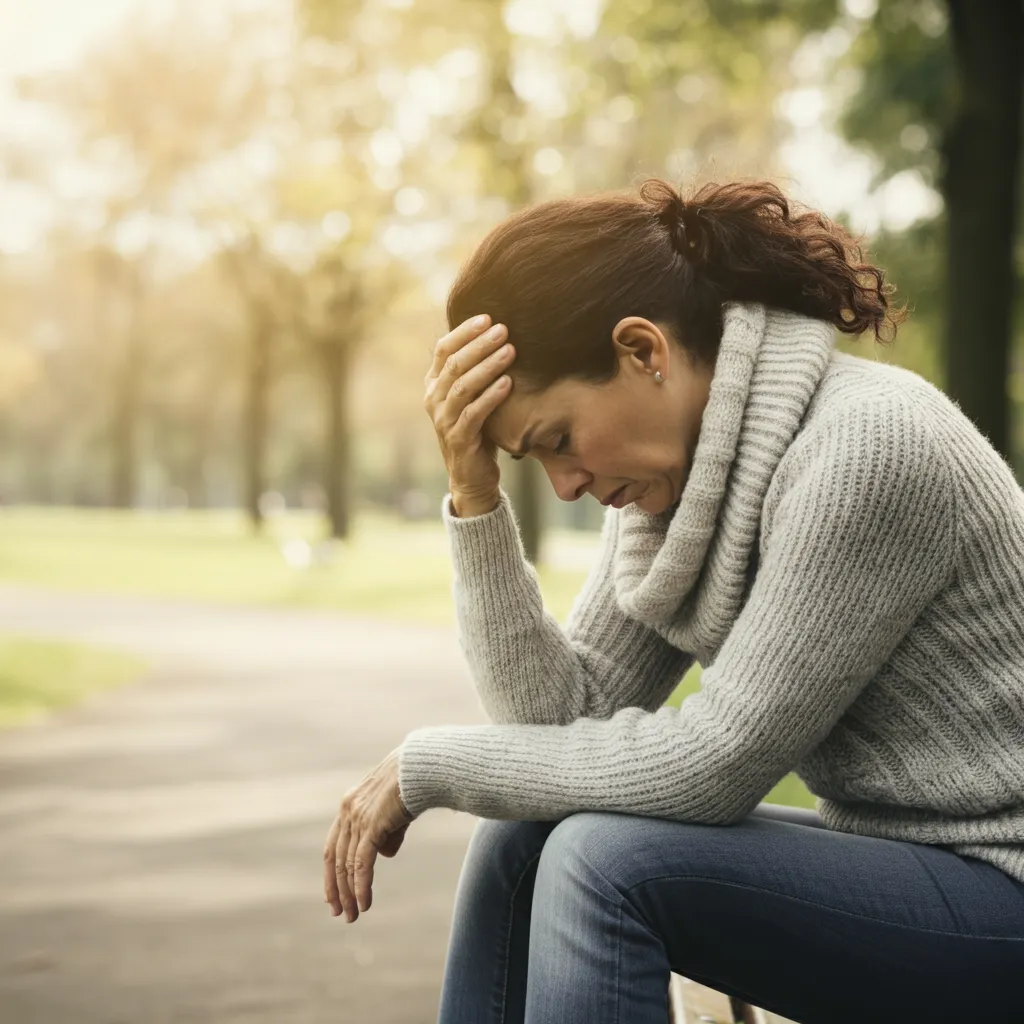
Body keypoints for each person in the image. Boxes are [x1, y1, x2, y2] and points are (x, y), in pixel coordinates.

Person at [321, 178, 1024, 1023]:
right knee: (522, 835)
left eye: (558, 441)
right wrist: (474, 496)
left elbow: (717, 765)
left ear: (643, 351)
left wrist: (429, 765)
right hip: (905, 864)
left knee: (605, 863)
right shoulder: (671, 481)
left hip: (1001, 883)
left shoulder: (866, 451)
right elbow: (554, 724)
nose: (569, 483)